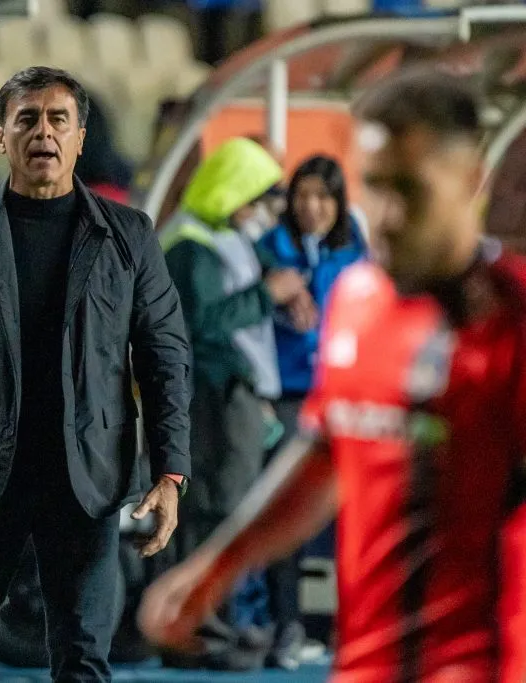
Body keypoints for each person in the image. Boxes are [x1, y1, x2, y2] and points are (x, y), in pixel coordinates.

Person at [139, 70, 526, 683]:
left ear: (472, 180)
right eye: (375, 187)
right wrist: (215, 568)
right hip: (364, 666)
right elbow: (324, 456)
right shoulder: (358, 298)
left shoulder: (514, 319)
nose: (389, 216)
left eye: (412, 190)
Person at [0, 65, 192, 682]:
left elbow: (164, 354)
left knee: (84, 659)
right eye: (26, 118)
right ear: (1, 137)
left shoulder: (129, 235)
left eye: (59, 119)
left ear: (81, 137)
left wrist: (170, 470)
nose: (43, 132)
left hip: (87, 478)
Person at [158, 137, 299, 669]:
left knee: (229, 513)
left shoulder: (225, 239)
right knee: (211, 513)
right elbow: (203, 326)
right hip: (215, 401)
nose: (264, 211)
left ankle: (213, 623)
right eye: (258, 197)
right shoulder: (194, 245)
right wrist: (269, 295)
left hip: (235, 397)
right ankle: (197, 631)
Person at [255, 154, 368, 669]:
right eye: (303, 195)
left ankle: (355, 626)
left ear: (340, 203)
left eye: (324, 196)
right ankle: (285, 625)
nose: (312, 206)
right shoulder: (268, 249)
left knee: (352, 517)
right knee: (285, 517)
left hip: (344, 399)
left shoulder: (355, 253)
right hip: (288, 396)